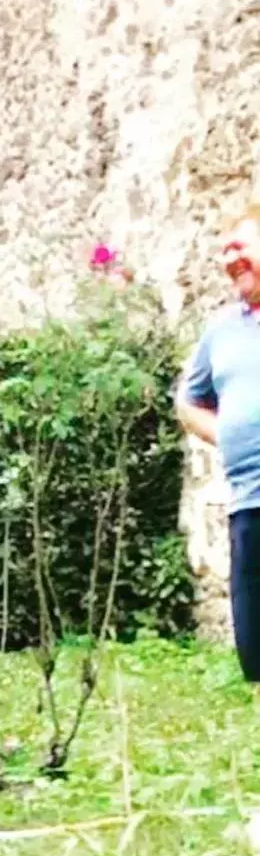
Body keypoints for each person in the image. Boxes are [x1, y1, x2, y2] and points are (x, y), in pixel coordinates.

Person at [176, 202, 260, 696]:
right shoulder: (221, 330)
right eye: (224, 250)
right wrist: (227, 431)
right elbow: (189, 401)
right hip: (248, 504)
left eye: (241, 246)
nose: (230, 259)